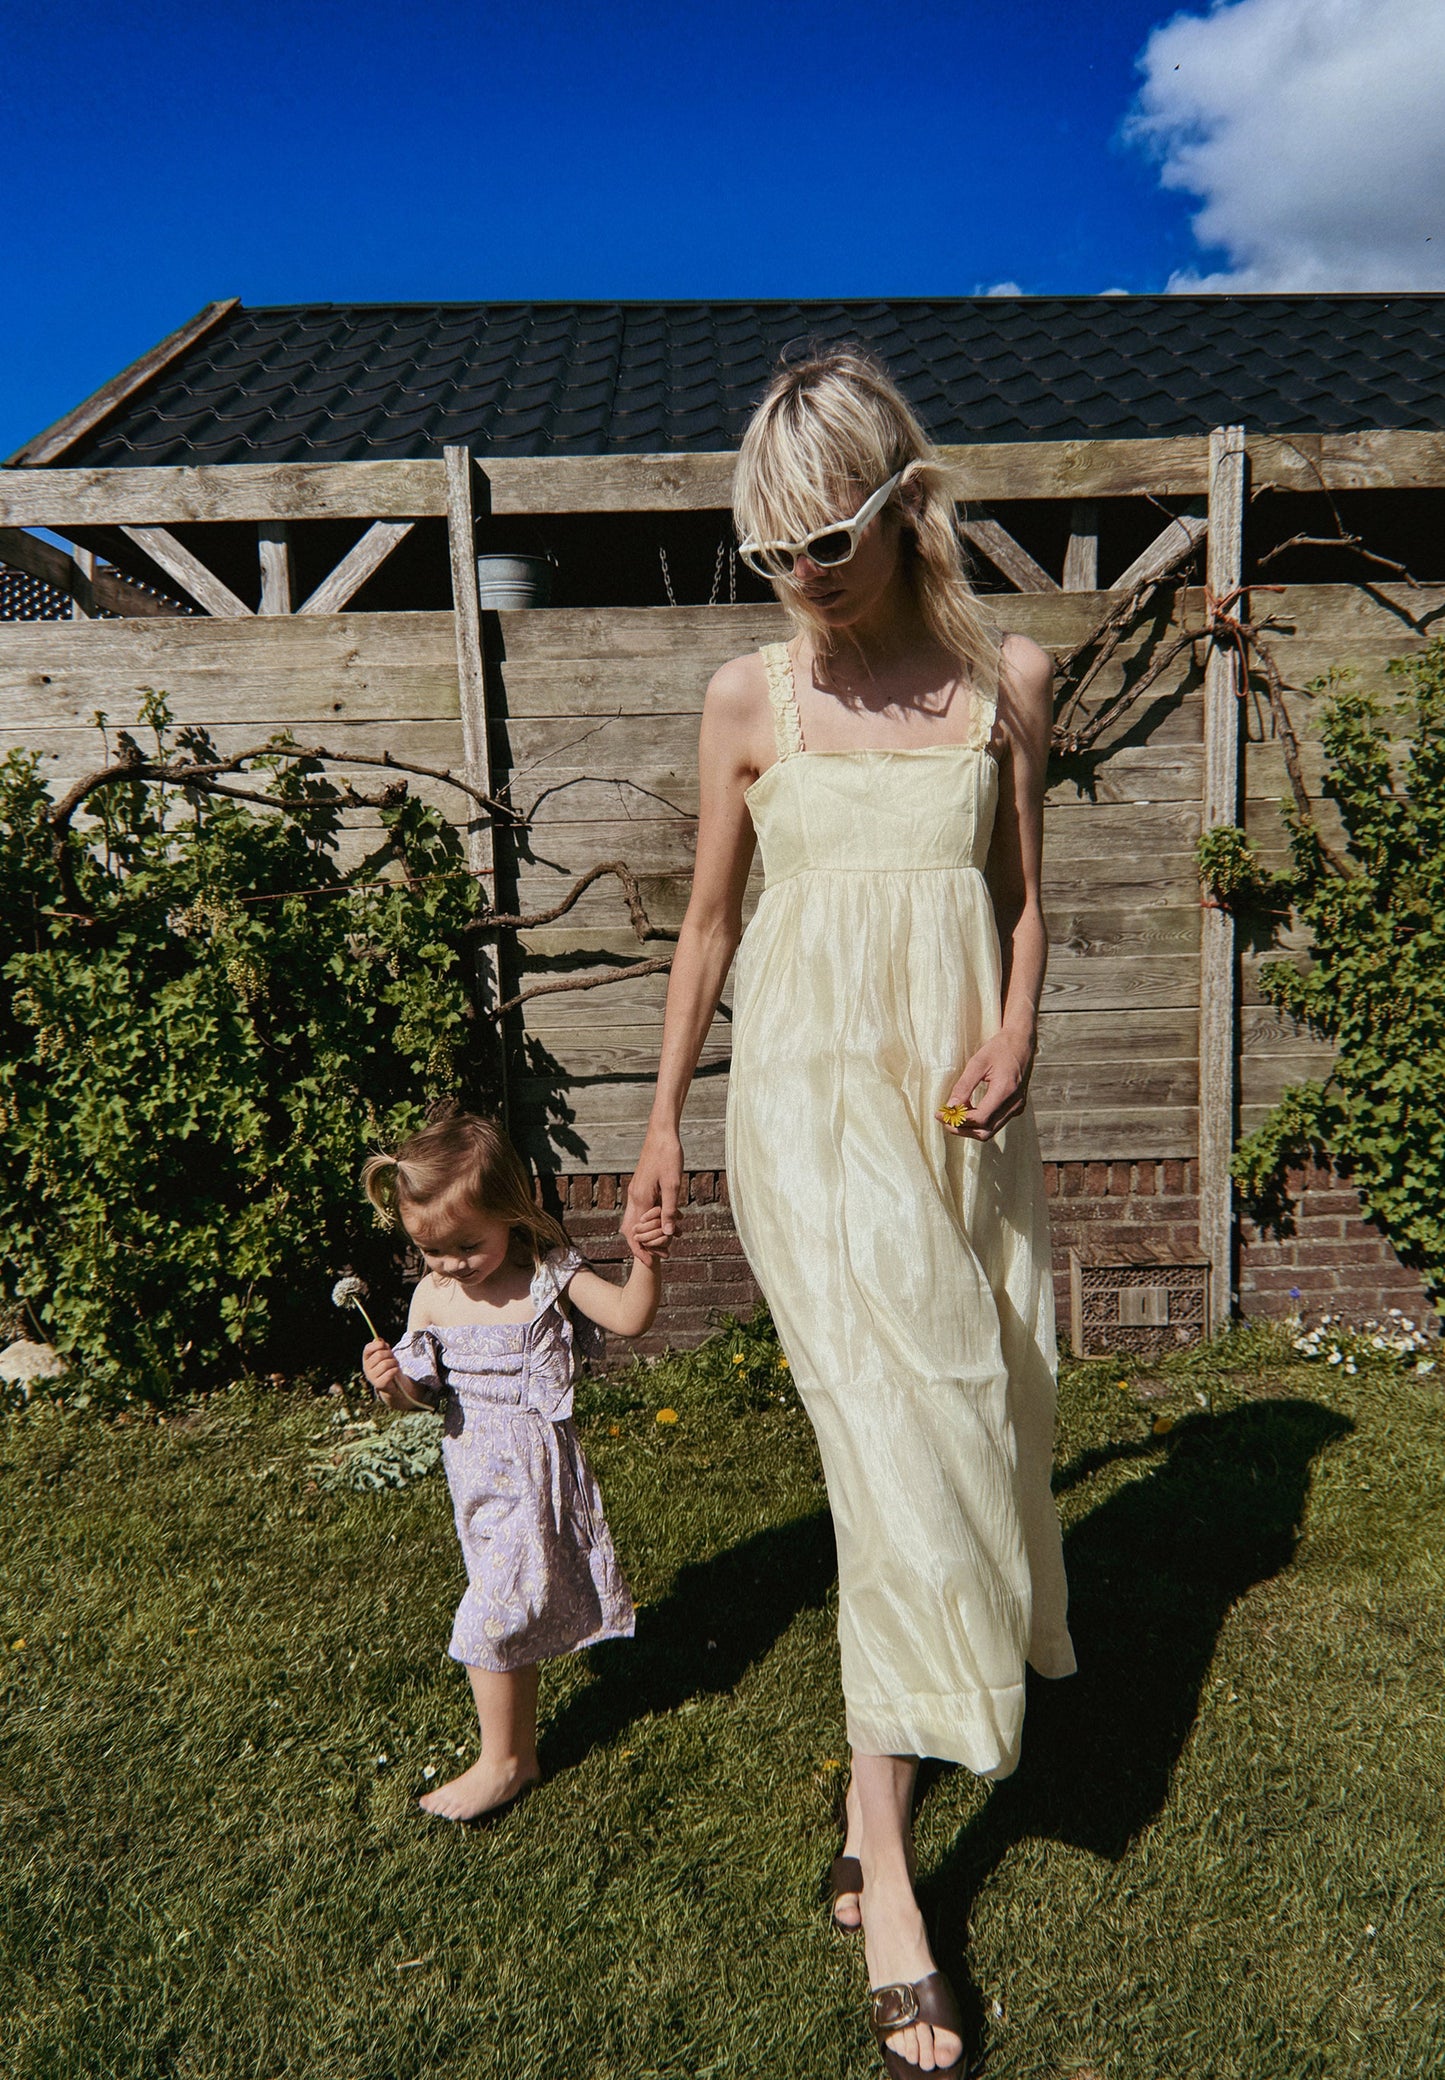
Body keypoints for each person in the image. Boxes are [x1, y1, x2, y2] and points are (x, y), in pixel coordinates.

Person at [622, 349, 1076, 2080]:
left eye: (825, 541)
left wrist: (1019, 1026)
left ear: (904, 508)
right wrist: (660, 1121)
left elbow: (1025, 904)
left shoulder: (1008, 681)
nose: (799, 578)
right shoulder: (752, 702)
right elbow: (708, 930)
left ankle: (877, 1774)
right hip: (807, 1117)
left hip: (959, 1116)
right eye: (771, 552)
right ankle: (890, 1876)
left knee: (988, 1415)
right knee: (899, 1443)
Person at [360, 1110, 667, 1822]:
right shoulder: (433, 1298)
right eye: (430, 1250)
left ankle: (501, 1763)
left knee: (490, 1614)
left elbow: (630, 1317)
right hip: (473, 1479)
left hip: (533, 1477)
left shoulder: (547, 1278)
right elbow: (421, 1398)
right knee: (503, 1599)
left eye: (467, 1244)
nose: (450, 1264)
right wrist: (390, 1385)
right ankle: (520, 1753)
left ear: (509, 1210)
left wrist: (647, 1260)